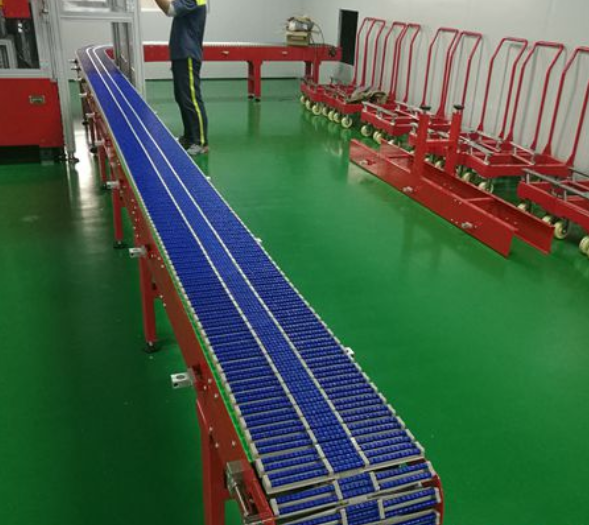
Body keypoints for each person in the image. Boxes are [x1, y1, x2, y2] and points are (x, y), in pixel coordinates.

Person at [154, 0, 209, 156]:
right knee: (182, 98)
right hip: (180, 53)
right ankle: (189, 137)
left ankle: (201, 141)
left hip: (188, 54)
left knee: (191, 99)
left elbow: (170, 10)